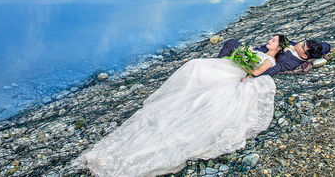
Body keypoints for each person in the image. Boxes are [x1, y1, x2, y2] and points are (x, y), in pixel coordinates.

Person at [75, 35, 286, 177]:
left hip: (238, 74)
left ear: (279, 47)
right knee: (196, 65)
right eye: (270, 38)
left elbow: (257, 73)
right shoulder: (263, 53)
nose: (269, 41)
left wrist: (244, 63)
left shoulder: (269, 59)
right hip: (234, 69)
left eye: (273, 40)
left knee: (201, 78)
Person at [218, 37, 324, 77]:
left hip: (258, 59)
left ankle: (217, 64)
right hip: (260, 52)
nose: (299, 43)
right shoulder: (297, 49)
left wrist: (250, 77)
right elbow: (326, 46)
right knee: (231, 44)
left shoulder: (289, 62)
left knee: (231, 43)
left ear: (304, 55)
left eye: (302, 45)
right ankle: (218, 63)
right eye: (303, 42)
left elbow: (273, 69)